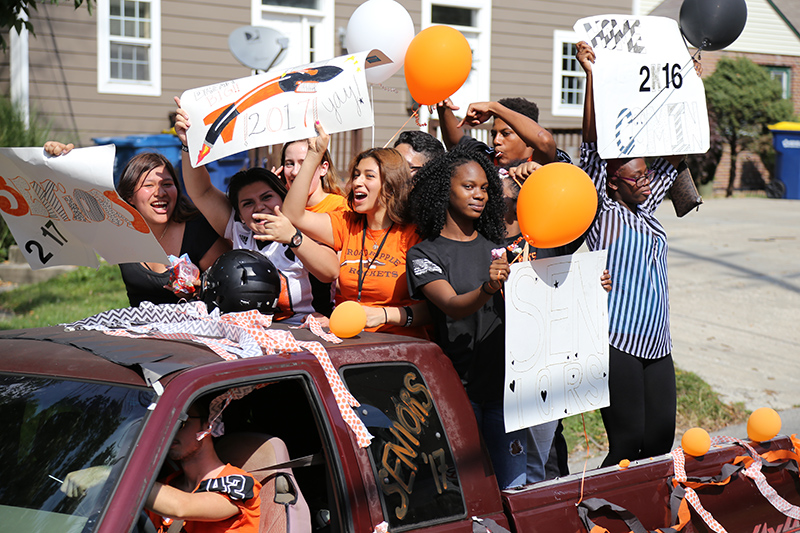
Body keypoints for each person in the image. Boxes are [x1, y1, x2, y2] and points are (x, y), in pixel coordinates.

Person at [576, 41, 684, 467]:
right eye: (636, 176)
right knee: (626, 445)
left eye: (647, 175)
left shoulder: (647, 207)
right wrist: (590, 78)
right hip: (617, 340)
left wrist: (685, 87)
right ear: (615, 182)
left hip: (658, 343)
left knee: (658, 443)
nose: (646, 181)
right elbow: (589, 146)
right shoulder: (603, 210)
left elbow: (677, 152)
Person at [405, 147, 526, 488]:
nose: (480, 195)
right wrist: (489, 286)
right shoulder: (424, 253)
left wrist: (591, 285)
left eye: (486, 188)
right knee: (471, 492)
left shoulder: (500, 248)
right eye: (469, 186)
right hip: (460, 393)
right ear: (445, 190)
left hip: (508, 391)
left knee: (514, 489)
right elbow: (452, 304)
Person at [174, 102, 339, 324]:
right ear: (239, 214)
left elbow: (330, 272)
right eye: (248, 203)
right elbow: (201, 191)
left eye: (267, 197)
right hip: (250, 331)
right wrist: (188, 144)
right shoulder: (239, 228)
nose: (259, 207)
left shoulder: (305, 225)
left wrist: (293, 237)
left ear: (283, 197)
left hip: (305, 332)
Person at [281, 123, 430, 338]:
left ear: (390, 185)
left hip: (401, 346)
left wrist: (383, 315)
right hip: (351, 341)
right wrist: (315, 154)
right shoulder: (346, 223)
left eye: (369, 176)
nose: (357, 182)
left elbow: (435, 309)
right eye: (357, 174)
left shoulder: (413, 233)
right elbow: (293, 214)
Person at [43, 141, 230, 307]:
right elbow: (74, 206)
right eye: (148, 185)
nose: (160, 192)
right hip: (140, 337)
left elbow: (229, 285)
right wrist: (59, 162)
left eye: (167, 184)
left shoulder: (197, 229)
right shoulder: (119, 231)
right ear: (130, 197)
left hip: (192, 335)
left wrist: (201, 290)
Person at [62, 399, 261, 532]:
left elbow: (181, 507)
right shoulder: (165, 485)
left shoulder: (239, 484)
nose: (170, 431)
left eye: (181, 422)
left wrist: (110, 474)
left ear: (209, 424)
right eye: (167, 423)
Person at [277, 139, 347, 316]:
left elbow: (338, 276)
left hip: (321, 314)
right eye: (289, 164)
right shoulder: (276, 203)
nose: (295, 171)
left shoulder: (340, 207)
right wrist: (270, 190)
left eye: (305, 162)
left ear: (323, 168)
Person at [436, 98, 569, 167]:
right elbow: (456, 143)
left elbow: (544, 141)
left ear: (527, 138)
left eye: (505, 133)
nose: (496, 141)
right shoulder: (488, 157)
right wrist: (444, 109)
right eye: (494, 134)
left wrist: (493, 107)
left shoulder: (541, 162)